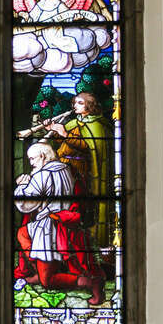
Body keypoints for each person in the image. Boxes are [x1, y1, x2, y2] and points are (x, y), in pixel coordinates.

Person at [14, 142, 105, 305]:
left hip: (49, 226)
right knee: (22, 233)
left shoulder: (42, 175)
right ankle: (38, 266)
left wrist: (21, 186)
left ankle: (90, 283)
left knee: (47, 282)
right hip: (63, 222)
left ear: (42, 156)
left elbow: (26, 203)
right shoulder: (66, 169)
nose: (31, 163)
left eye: (32, 159)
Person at [46, 92, 111, 245]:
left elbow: (88, 147)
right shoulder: (75, 122)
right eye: (75, 102)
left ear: (90, 106)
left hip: (80, 169)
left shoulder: (97, 125)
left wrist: (64, 134)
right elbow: (61, 137)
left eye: (80, 103)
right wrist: (53, 129)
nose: (75, 105)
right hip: (64, 166)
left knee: (78, 202)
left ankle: (80, 235)